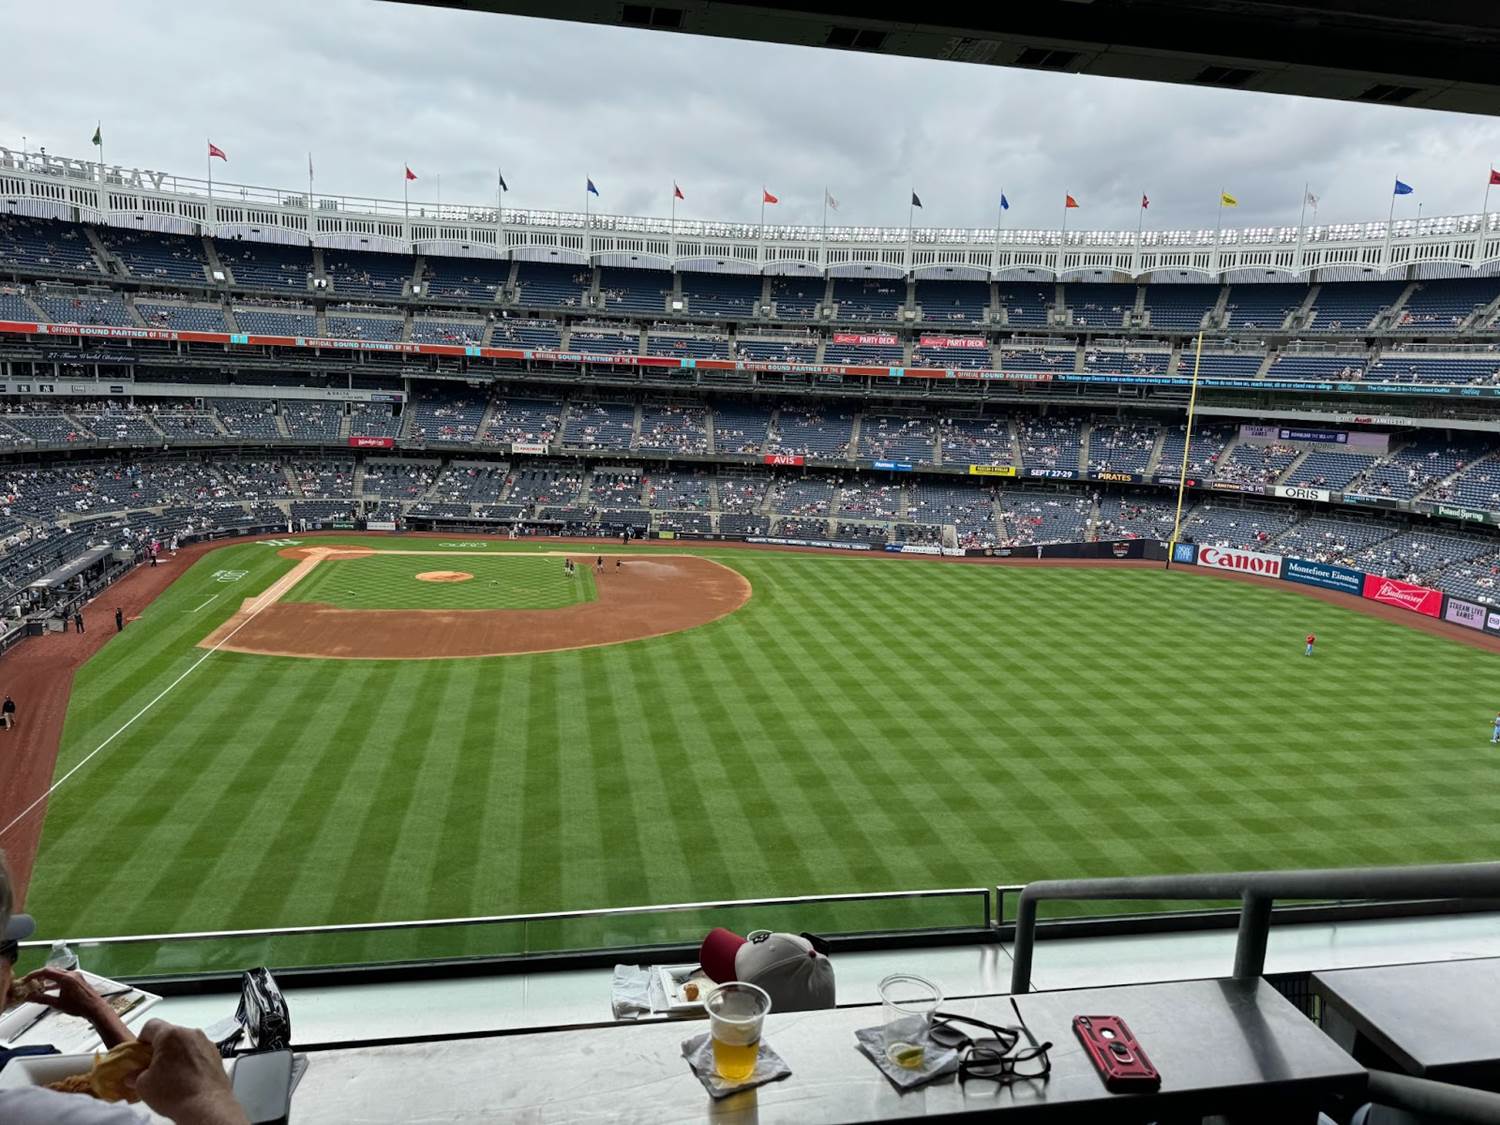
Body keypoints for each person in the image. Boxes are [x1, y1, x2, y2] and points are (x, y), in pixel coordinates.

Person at [0, 853, 251, 1124]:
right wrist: (207, 1096)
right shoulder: (58, 1113)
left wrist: (95, 1009)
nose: (13, 969)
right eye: (10, 948)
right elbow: (140, 1084)